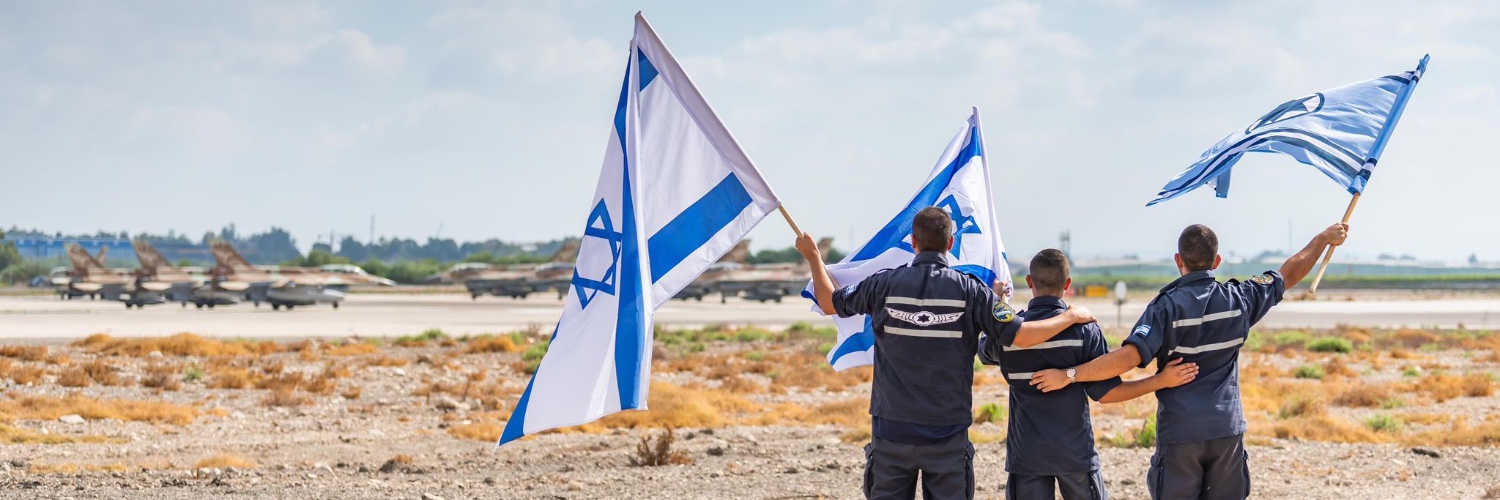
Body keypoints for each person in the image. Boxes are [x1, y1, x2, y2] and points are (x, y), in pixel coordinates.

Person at [1028, 222, 1350, 500]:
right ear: (1217, 260)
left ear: (1178, 261)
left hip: (1181, 434)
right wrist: (1322, 239)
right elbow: (1287, 274)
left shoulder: (1165, 307)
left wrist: (1070, 374)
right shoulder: (1239, 298)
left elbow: (1128, 357)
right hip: (1227, 432)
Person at [797, 206, 1099, 500]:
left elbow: (828, 302)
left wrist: (814, 258)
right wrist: (1070, 316)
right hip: (947, 436)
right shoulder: (971, 291)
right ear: (950, 243)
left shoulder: (884, 284)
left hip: (892, 432)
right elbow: (1023, 335)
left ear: (913, 242)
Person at [980, 248, 1200, 500]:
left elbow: (985, 349)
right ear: (1068, 283)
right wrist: (1159, 381)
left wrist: (996, 302)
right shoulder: (1084, 331)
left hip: (1026, 455)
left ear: (1030, 281)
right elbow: (1107, 394)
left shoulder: (1010, 336)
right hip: (1074, 453)